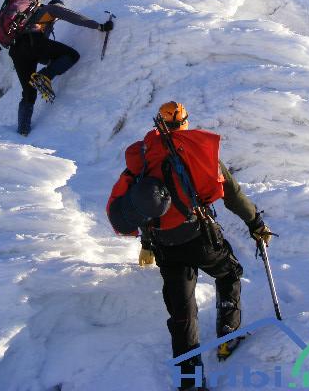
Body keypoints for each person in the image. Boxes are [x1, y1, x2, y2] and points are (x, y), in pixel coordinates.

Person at [107, 101, 272, 391]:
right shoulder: (198, 151)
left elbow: (144, 204)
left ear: (158, 123)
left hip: (165, 246)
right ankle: (227, 334)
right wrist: (255, 223)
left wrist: (146, 243)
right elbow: (231, 194)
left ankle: (190, 383)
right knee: (229, 272)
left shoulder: (144, 157)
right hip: (200, 237)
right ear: (184, 123)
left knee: (183, 314)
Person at [9, 0, 113, 135]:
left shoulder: (29, 19)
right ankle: (44, 76)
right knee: (72, 55)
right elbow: (74, 17)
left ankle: (22, 130)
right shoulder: (51, 9)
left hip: (17, 51)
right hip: (33, 43)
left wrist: (52, 62)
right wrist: (99, 26)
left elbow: (40, 55)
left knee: (29, 92)